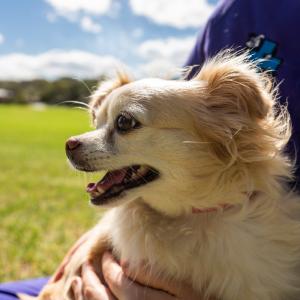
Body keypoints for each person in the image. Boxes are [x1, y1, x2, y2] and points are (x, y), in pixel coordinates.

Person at [2, 0, 299, 298]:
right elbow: (177, 102)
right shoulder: (238, 10)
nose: (77, 141)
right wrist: (91, 248)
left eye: (126, 123)